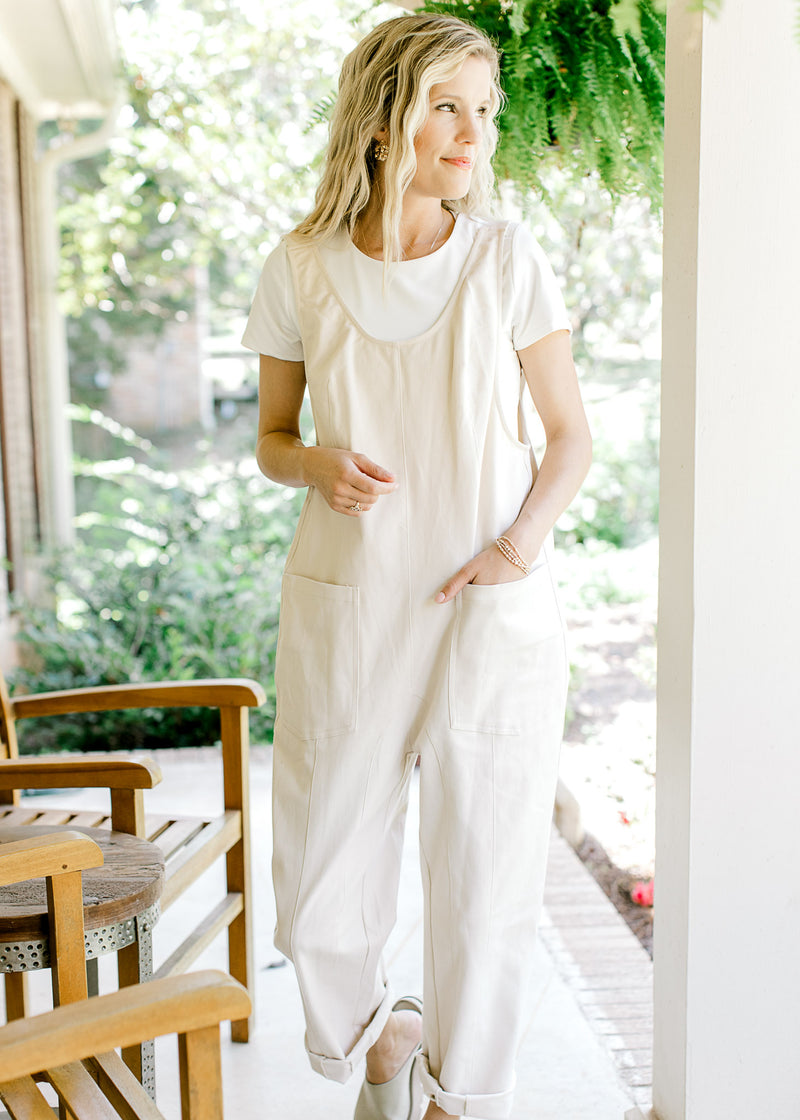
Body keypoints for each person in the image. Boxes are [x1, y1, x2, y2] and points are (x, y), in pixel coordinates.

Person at [243, 12, 592, 1120]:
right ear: (384, 118)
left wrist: (514, 547)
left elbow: (569, 435)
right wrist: (316, 465)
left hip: (489, 603)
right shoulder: (300, 267)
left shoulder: (505, 258)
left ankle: (456, 1093)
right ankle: (378, 1031)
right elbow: (270, 440)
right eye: (447, 105)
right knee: (317, 877)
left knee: (485, 870)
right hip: (350, 604)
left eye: (483, 113)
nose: (470, 132)